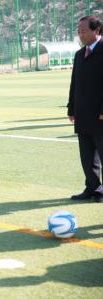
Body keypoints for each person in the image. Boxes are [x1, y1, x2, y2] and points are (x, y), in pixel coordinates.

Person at [67, 15, 103, 203]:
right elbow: (75, 83)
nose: (80, 35)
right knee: (87, 156)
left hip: (100, 114)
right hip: (83, 114)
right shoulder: (79, 54)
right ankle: (93, 188)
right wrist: (71, 108)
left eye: (84, 31)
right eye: (79, 32)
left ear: (96, 30)